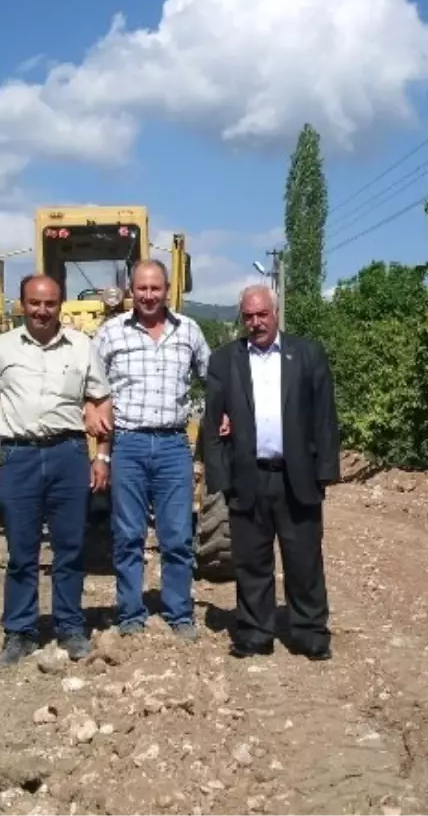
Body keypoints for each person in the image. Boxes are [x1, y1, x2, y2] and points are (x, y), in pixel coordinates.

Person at [0, 274, 113, 667]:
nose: (42, 310)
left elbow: (101, 401)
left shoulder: (82, 347)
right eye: (34, 303)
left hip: (68, 454)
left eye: (50, 303)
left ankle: (69, 627)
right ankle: (20, 631)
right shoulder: (2, 348)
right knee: (22, 551)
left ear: (60, 305)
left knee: (69, 548)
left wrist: (101, 456)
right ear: (22, 304)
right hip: (19, 457)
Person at [201, 284, 340, 660]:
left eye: (262, 314)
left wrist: (325, 470)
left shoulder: (307, 354)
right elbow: (212, 425)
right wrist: (219, 480)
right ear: (241, 318)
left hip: (297, 475)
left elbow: (325, 417)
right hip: (248, 475)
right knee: (251, 561)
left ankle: (309, 631)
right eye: (248, 316)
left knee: (304, 559)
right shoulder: (224, 360)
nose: (256, 322)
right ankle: (254, 632)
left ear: (275, 313)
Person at [94, 259, 211, 640]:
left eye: (155, 288)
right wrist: (100, 444)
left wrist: (224, 415)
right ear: (131, 291)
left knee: (177, 536)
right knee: (128, 535)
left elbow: (213, 378)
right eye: (141, 289)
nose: (148, 296)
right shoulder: (111, 333)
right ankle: (130, 614)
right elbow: (93, 387)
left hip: (174, 445)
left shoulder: (189, 331)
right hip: (127, 444)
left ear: (166, 290)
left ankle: (179, 613)